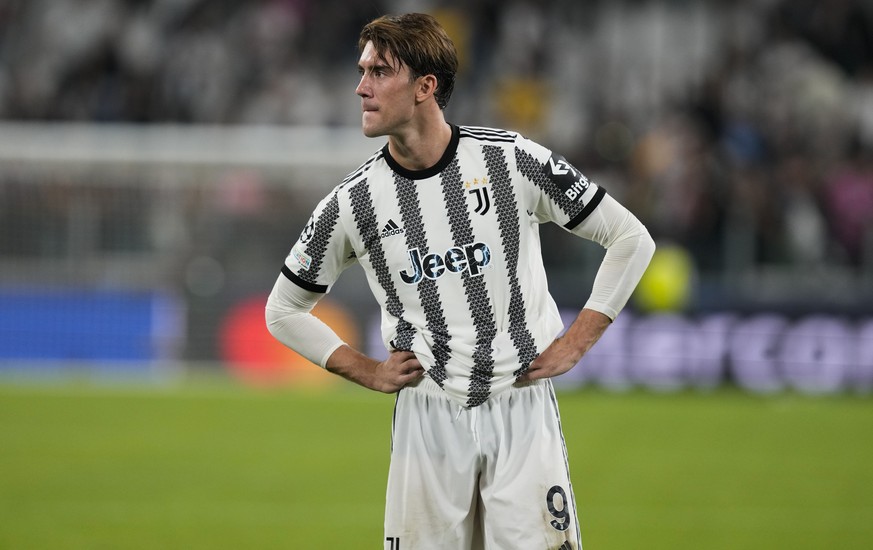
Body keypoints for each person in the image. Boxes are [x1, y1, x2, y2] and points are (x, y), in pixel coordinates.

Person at [266, 13, 655, 550]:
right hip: (426, 417)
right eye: (362, 71)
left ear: (426, 86)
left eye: (380, 72)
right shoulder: (351, 204)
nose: (361, 87)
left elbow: (630, 238)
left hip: (520, 407)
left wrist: (577, 340)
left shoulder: (511, 160)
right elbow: (283, 310)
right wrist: (367, 370)